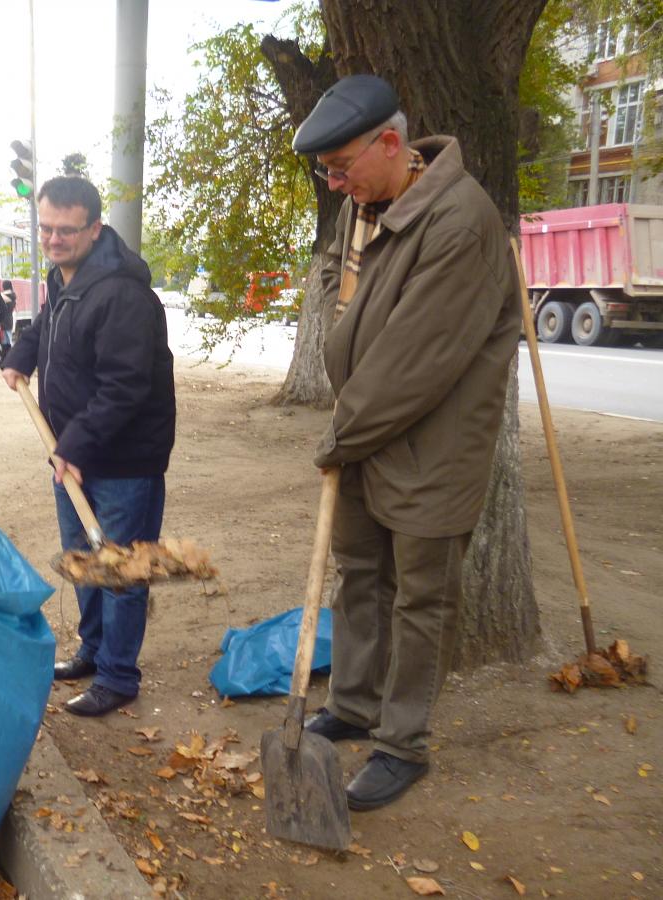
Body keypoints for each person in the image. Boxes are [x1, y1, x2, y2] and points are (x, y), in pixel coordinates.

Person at [291, 75, 521, 811]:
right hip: (366, 437)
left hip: (432, 448)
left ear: (391, 143)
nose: (334, 183)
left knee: (422, 600)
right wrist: (340, 268)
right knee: (360, 576)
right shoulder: (365, 206)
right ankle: (355, 705)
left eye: (341, 166)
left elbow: (411, 367)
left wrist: (339, 435)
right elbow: (340, 305)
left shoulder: (459, 220)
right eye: (324, 171)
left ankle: (402, 743)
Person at [2, 176, 175, 718]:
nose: (54, 239)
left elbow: (125, 386)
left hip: (121, 459)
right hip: (74, 451)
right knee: (85, 562)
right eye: (46, 228)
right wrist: (20, 354)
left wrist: (73, 445)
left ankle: (119, 675)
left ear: (95, 228)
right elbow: (51, 326)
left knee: (119, 569)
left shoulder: (122, 293)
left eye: (66, 230)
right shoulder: (67, 278)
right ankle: (94, 652)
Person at [0, 278, 17, 354]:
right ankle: (9, 354)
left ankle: (6, 355)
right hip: (10, 319)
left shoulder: (2, 296)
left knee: (5, 340)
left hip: (3, 319)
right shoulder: (13, 295)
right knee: (8, 338)